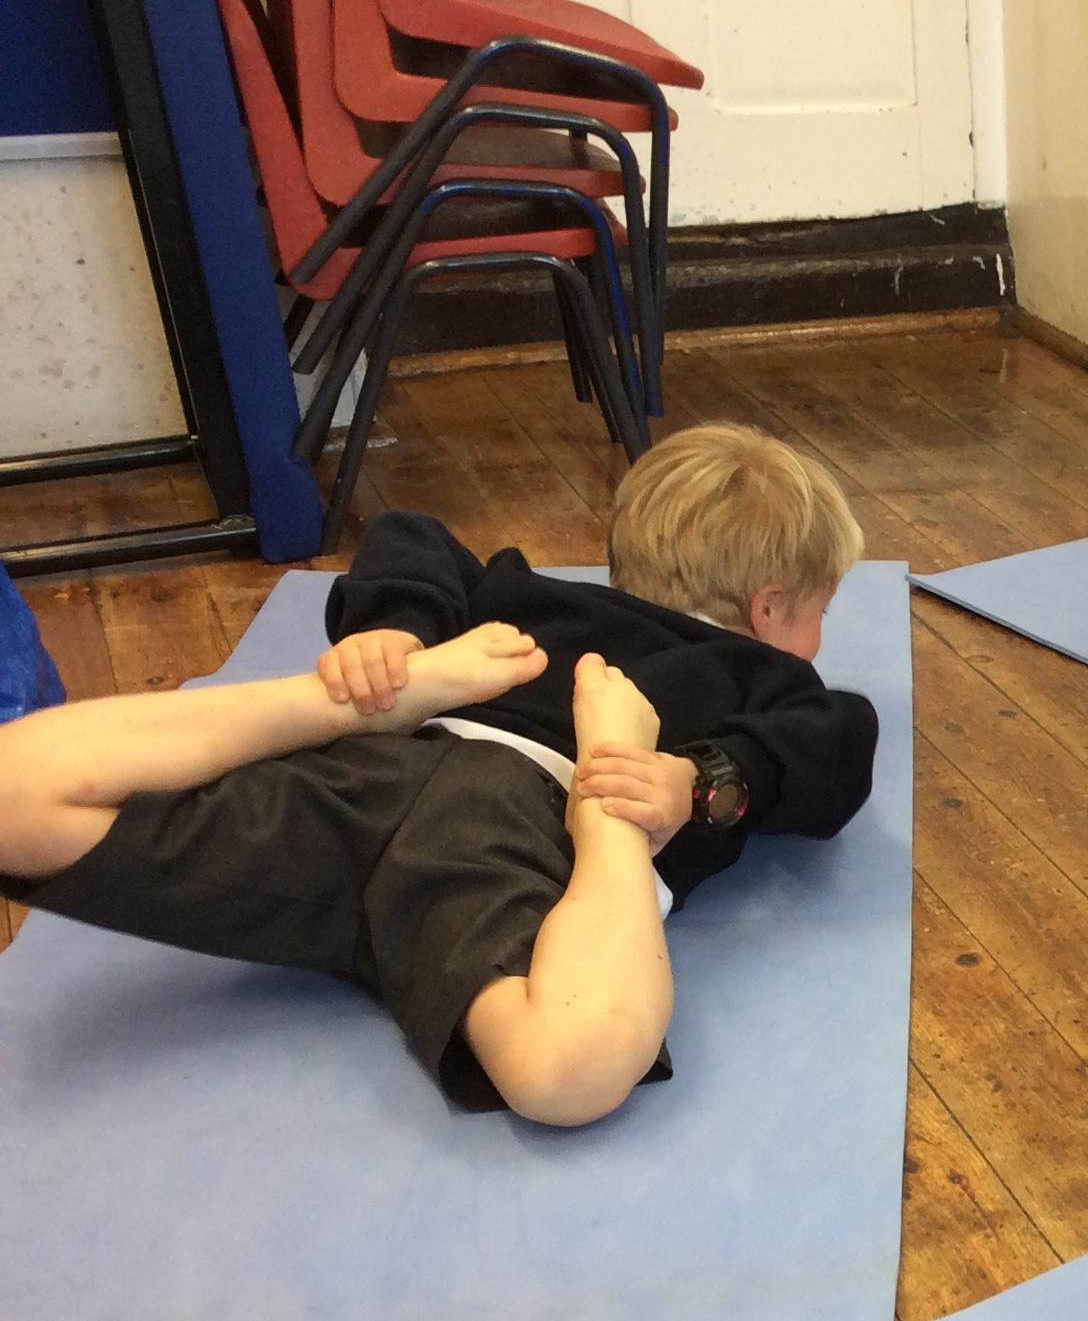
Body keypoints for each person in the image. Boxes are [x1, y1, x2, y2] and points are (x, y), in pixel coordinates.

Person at [0, 422, 880, 1127]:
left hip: (397, 785)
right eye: (819, 613)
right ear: (769, 606)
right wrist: (694, 778)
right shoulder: (766, 675)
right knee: (570, 1071)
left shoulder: (523, 596)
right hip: (496, 806)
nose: (817, 640)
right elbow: (838, 741)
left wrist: (395, 633)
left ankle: (376, 716)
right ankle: (577, 801)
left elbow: (410, 533)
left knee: (17, 792)